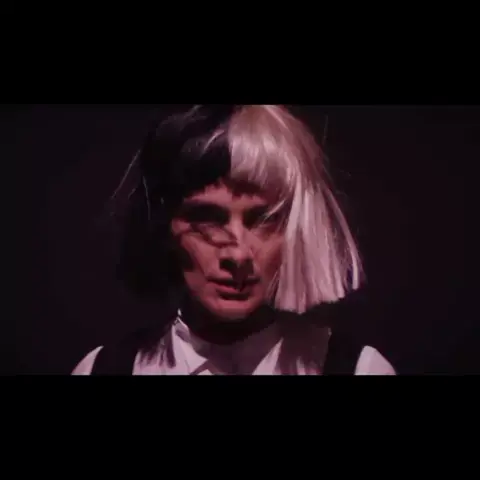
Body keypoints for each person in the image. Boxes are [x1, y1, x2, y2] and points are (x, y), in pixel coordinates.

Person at [72, 104, 396, 375]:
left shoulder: (360, 370)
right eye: (207, 219)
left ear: (298, 229)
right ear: (163, 226)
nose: (238, 254)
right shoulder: (101, 370)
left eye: (263, 220)